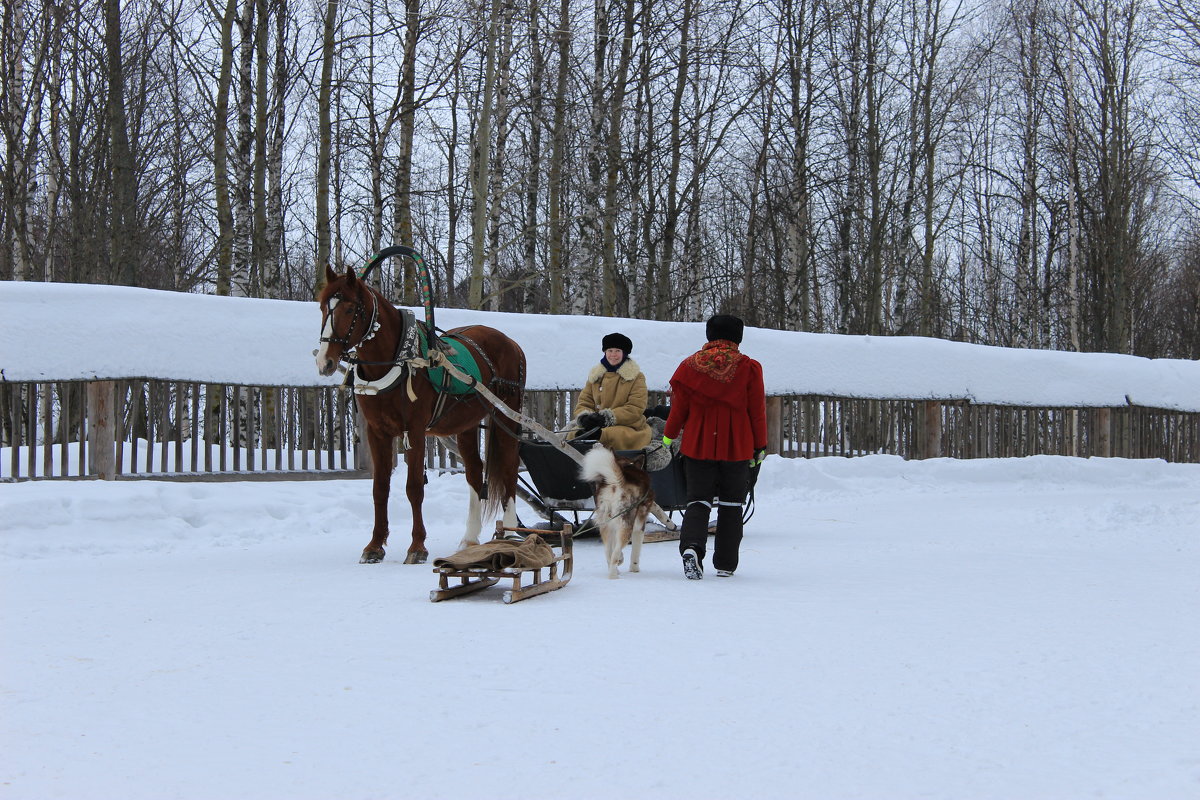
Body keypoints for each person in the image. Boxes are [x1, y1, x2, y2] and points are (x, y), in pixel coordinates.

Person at [662, 315, 767, 579]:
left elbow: (679, 408)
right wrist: (760, 446)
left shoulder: (689, 366)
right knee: (732, 504)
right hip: (738, 444)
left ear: (710, 335)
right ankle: (725, 563)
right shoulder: (749, 367)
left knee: (697, 501)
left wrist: (668, 437)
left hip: (698, 443)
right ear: (737, 337)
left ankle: (692, 549)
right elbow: (757, 411)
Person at [570, 332, 653, 451]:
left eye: (617, 351)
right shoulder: (595, 376)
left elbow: (635, 408)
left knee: (605, 436)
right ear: (605, 352)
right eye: (610, 350)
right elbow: (584, 401)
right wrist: (585, 417)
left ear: (624, 353)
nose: (613, 355)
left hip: (628, 427)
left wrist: (606, 418)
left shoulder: (636, 377)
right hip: (596, 425)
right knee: (574, 434)